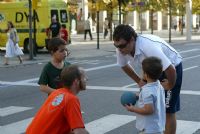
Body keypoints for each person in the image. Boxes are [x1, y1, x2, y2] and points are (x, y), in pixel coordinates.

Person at [113, 24, 183, 134]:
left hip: (170, 68)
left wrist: (170, 85)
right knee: (147, 98)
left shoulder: (148, 46)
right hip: (148, 69)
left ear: (132, 40)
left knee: (168, 110)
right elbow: (123, 65)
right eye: (116, 46)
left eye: (122, 46)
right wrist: (140, 81)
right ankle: (150, 128)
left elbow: (171, 69)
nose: (119, 49)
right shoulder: (121, 49)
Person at [26, 65, 89, 134]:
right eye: (84, 77)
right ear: (76, 81)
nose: (87, 79)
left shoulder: (57, 92)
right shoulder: (71, 99)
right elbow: (79, 131)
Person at [125, 56, 166, 134]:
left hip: (149, 129)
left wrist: (133, 109)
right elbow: (154, 98)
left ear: (145, 75)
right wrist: (139, 96)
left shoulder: (147, 90)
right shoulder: (159, 85)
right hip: (157, 127)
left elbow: (149, 110)